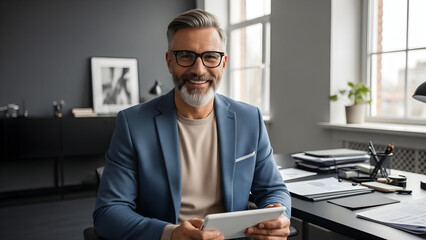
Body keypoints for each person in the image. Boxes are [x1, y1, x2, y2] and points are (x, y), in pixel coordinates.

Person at [93, 9, 291, 240]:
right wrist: (170, 234)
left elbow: (273, 189)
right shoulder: (133, 123)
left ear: (223, 62)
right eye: (186, 56)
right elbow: (108, 212)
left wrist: (278, 215)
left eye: (210, 56)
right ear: (169, 62)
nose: (199, 70)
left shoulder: (250, 119)